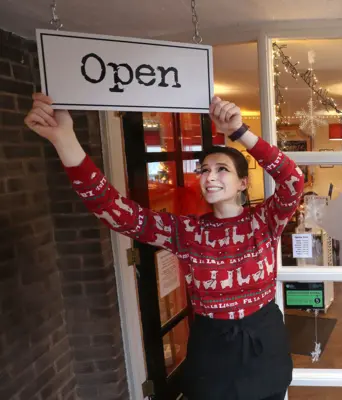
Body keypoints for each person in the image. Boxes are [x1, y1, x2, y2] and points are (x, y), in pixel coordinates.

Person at [24, 93, 305, 400]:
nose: (209, 176)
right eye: (203, 170)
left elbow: (292, 178)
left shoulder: (265, 220)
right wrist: (65, 140)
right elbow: (115, 211)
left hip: (263, 342)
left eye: (221, 169)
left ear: (242, 183)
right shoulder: (186, 232)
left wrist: (240, 132)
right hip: (212, 349)